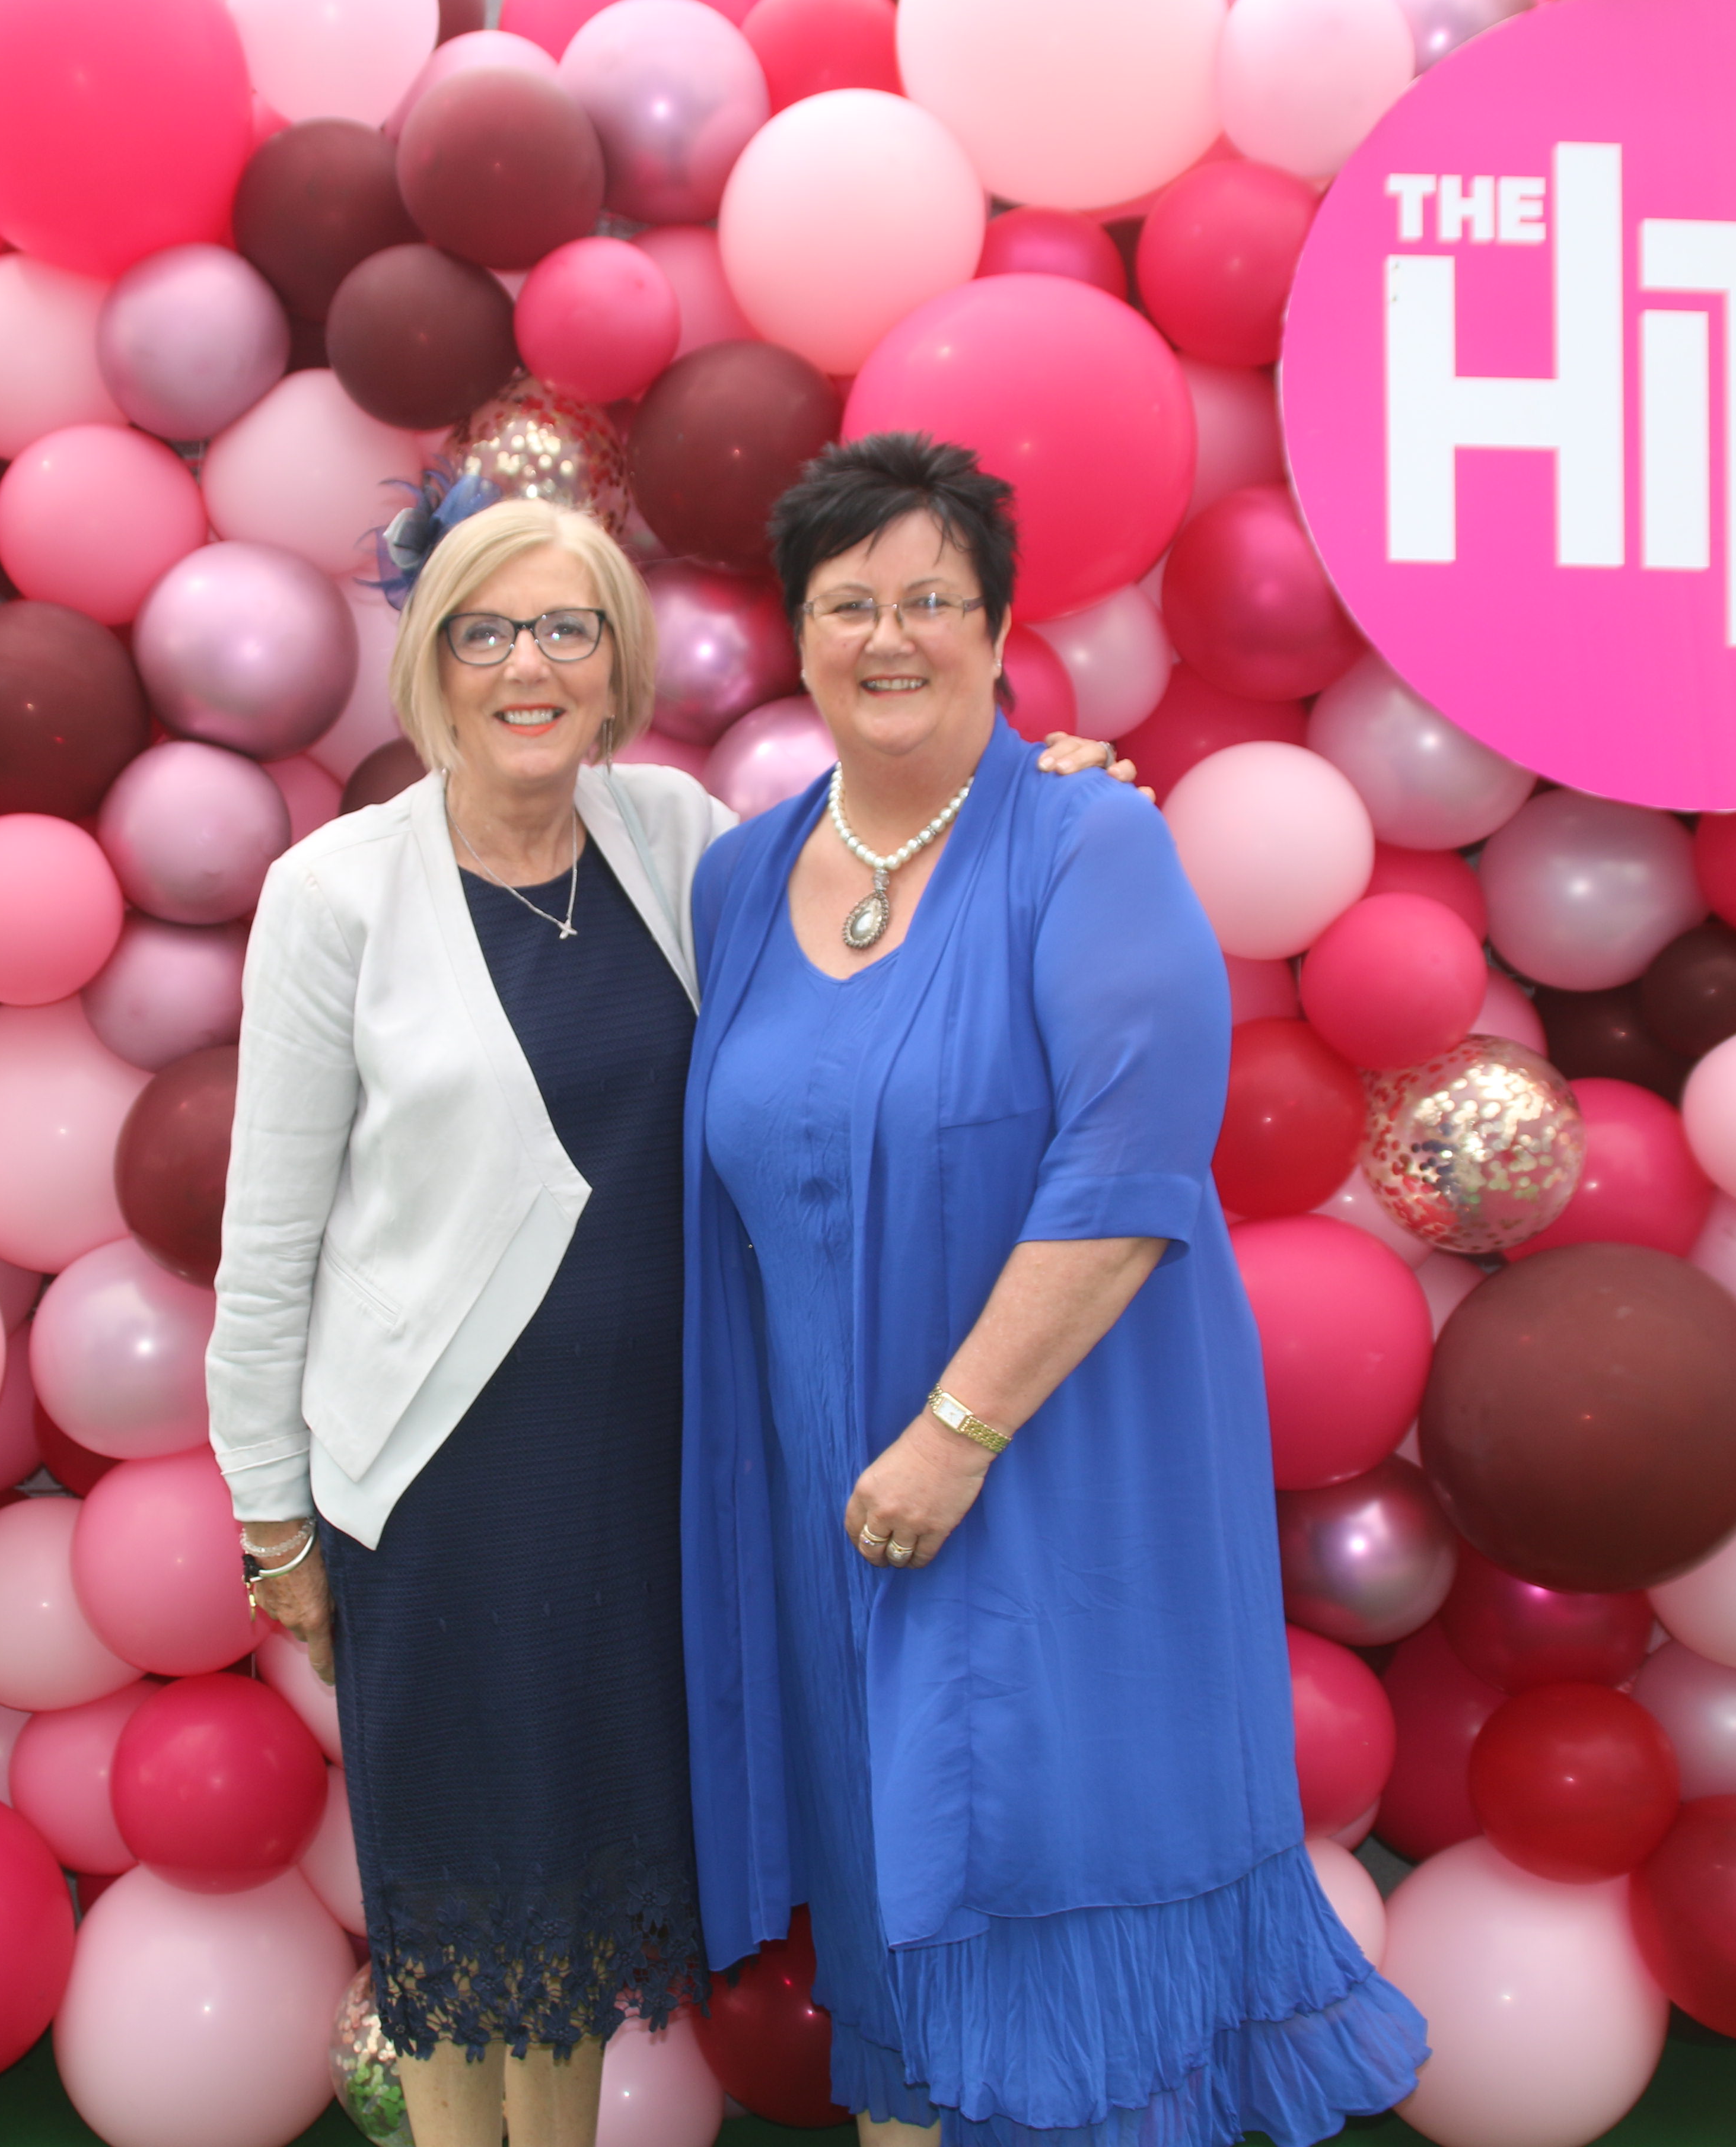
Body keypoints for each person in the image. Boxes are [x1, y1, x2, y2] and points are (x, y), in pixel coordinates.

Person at [206, 489, 1132, 2147]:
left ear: (618, 662)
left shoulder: (679, 836)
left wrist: (1040, 803)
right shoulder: (334, 892)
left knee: (576, 1894)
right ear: (433, 663)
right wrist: (273, 1519)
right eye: (487, 632)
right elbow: (268, 1241)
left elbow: (882, 881)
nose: (529, 667)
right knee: (461, 1900)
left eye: (568, 629)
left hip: (656, 1474)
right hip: (442, 1485)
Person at [678, 434, 1429, 2147]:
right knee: (898, 1957)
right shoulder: (735, 880)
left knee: (1054, 1923)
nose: (889, 636)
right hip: (827, 1510)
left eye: (930, 599)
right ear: (797, 635)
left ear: (1000, 628)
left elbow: (1130, 1165)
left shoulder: (1091, 842)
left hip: (1047, 1480)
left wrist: (954, 1435)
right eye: (848, 602)